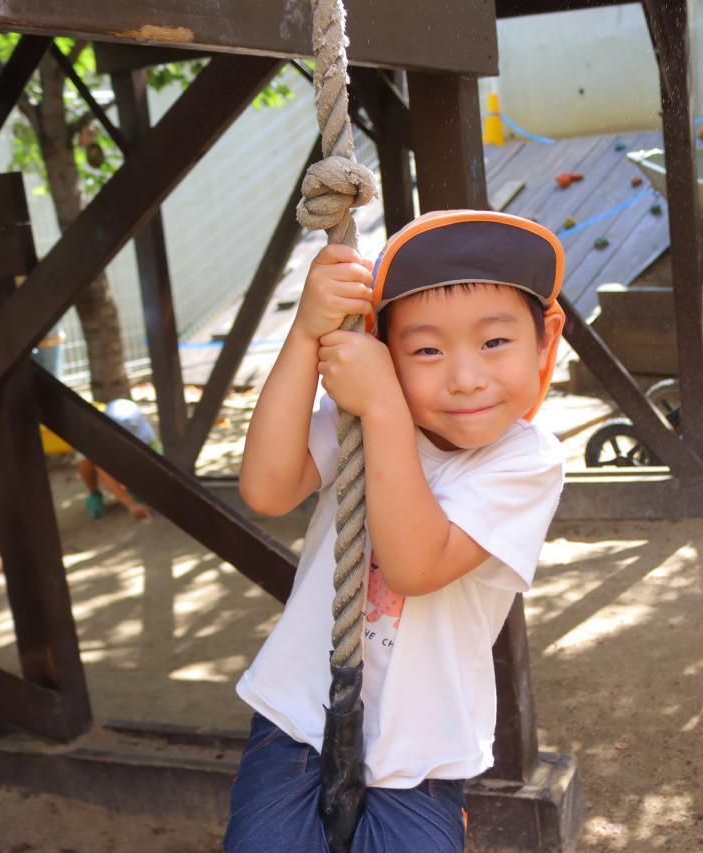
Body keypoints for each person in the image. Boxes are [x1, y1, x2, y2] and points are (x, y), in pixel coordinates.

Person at [224, 210, 566, 852]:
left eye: (495, 342)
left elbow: (414, 565)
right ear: (385, 352)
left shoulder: (527, 462)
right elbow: (267, 488)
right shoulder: (360, 420)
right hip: (295, 716)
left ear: (545, 340)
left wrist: (382, 401)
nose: (465, 377)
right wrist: (306, 334)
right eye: (427, 350)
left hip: (422, 751)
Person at [76, 398, 158, 521]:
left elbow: (153, 463)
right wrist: (131, 505)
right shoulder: (96, 438)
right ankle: (94, 494)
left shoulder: (148, 437)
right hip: (108, 456)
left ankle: (136, 488)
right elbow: (105, 473)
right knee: (85, 459)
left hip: (128, 461)